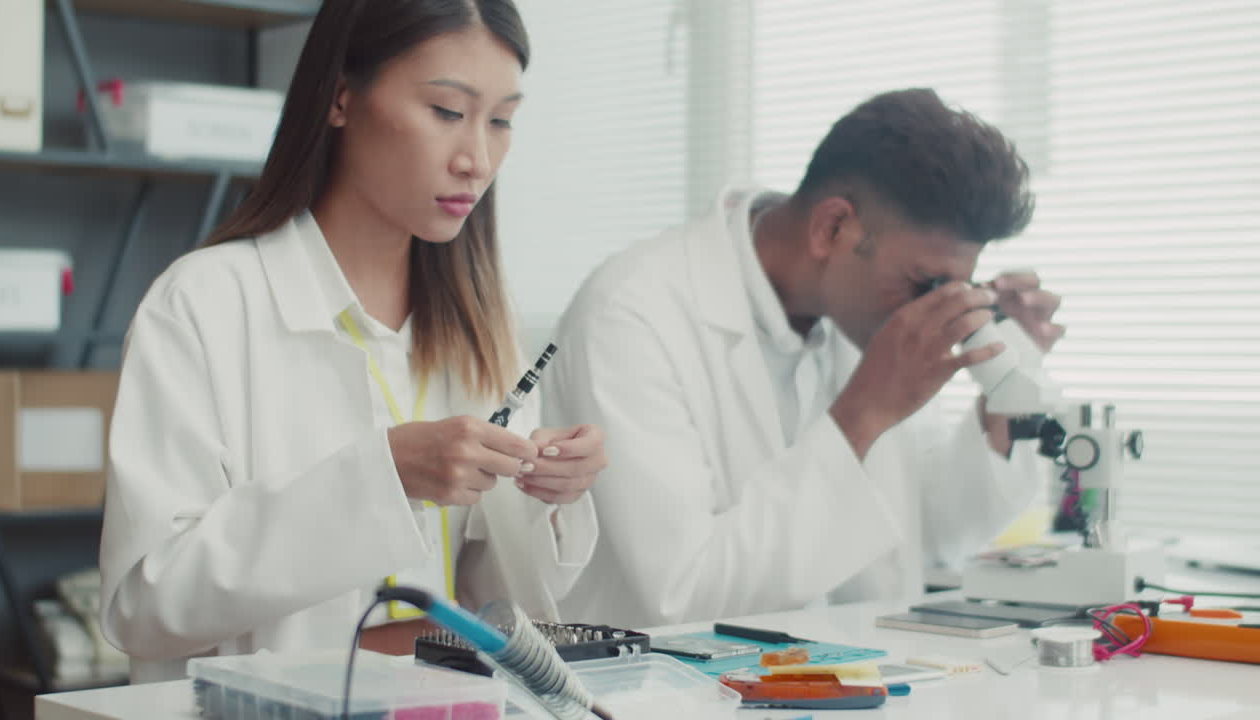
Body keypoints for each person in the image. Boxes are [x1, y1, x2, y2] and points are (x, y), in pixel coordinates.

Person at [99, 0, 605, 683]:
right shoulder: (203, 304)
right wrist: (381, 478)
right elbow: (143, 605)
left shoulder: (480, 324)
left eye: (502, 121)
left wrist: (548, 491)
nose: (477, 160)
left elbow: (507, 597)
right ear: (341, 98)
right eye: (447, 113)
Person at [542, 88, 1061, 629]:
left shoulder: (860, 317)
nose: (936, 308)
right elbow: (683, 591)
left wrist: (1006, 399)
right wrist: (864, 413)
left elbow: (933, 533)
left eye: (957, 285)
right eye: (927, 282)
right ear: (832, 228)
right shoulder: (632, 309)